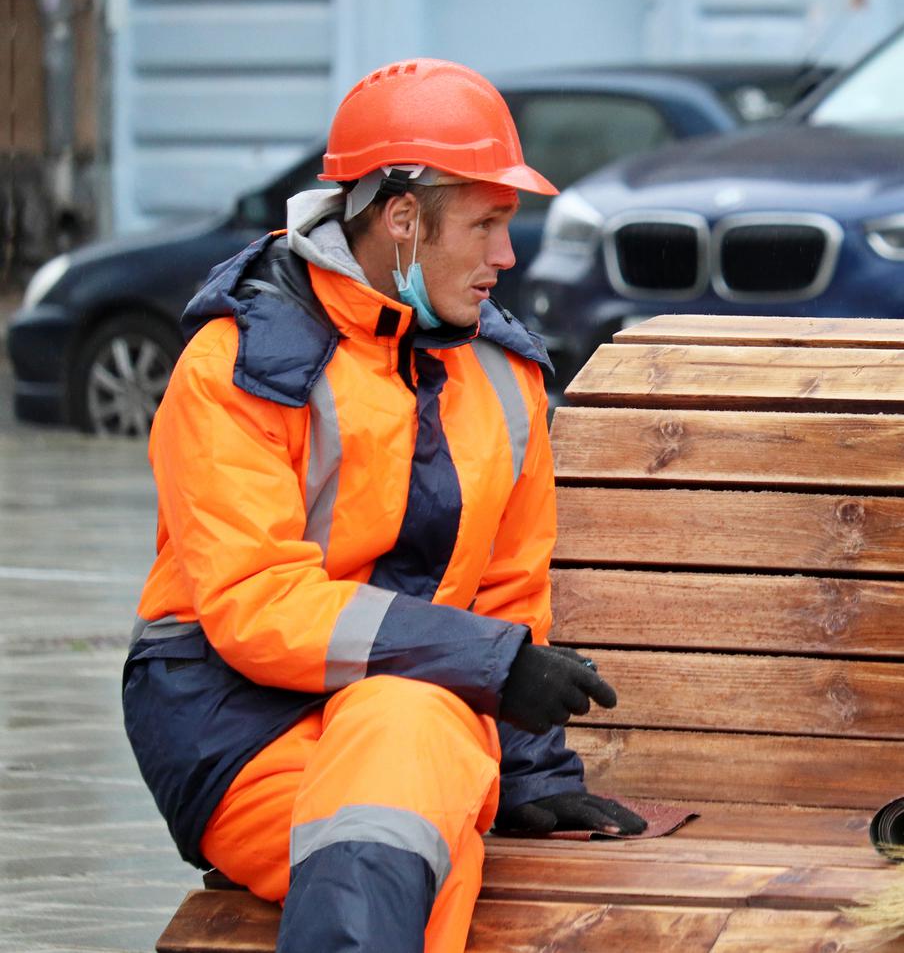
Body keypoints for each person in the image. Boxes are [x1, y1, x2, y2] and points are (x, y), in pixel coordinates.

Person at [122, 57, 645, 953]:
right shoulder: (232, 366)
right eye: (485, 224)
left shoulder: (504, 376)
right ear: (402, 218)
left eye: (508, 226)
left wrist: (528, 774)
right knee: (413, 806)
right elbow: (255, 603)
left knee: (409, 817)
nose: (505, 257)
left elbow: (508, 598)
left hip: (419, 712)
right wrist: (486, 664)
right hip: (232, 720)